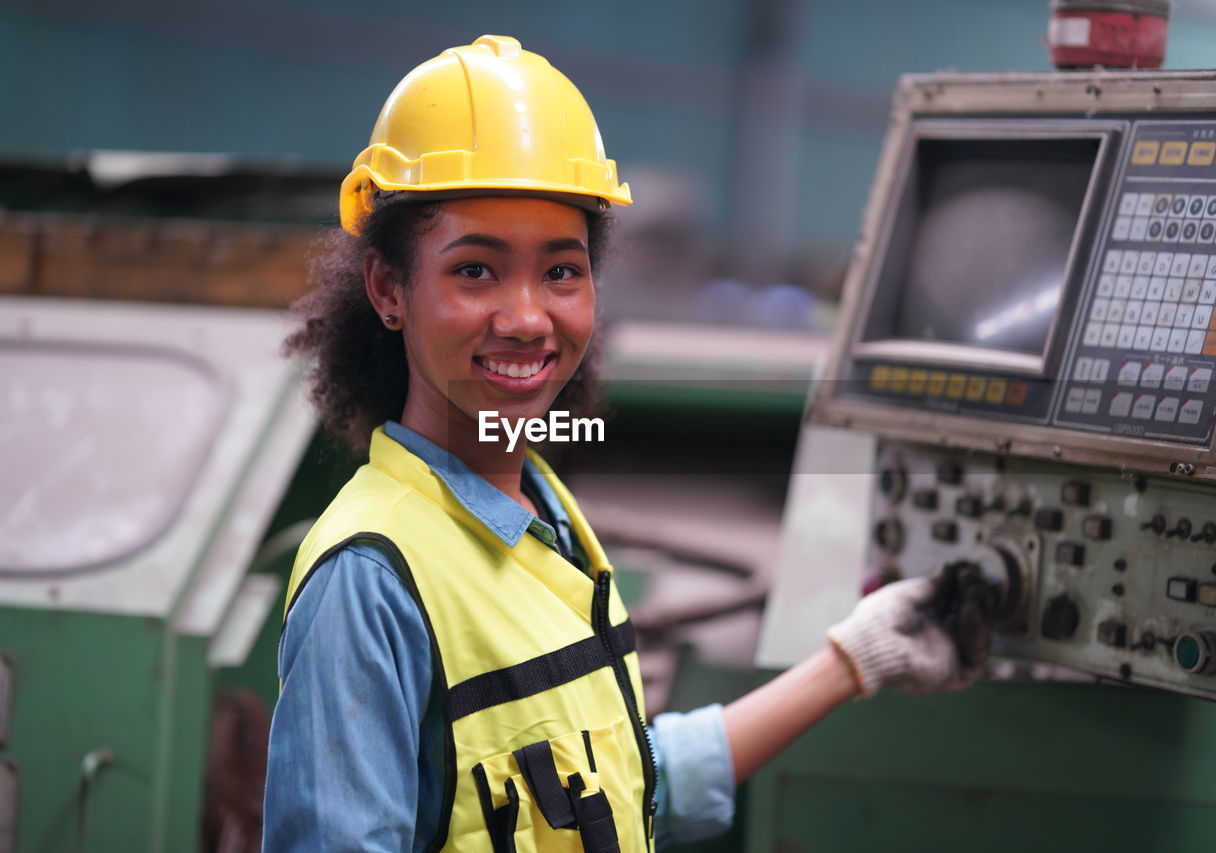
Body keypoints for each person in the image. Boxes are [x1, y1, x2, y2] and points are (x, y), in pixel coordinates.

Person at [263, 34, 991, 853]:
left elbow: (613, 788)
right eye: (476, 271)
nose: (528, 316)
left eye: (562, 272)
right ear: (389, 289)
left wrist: (853, 658)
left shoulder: (545, 514)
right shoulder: (369, 581)